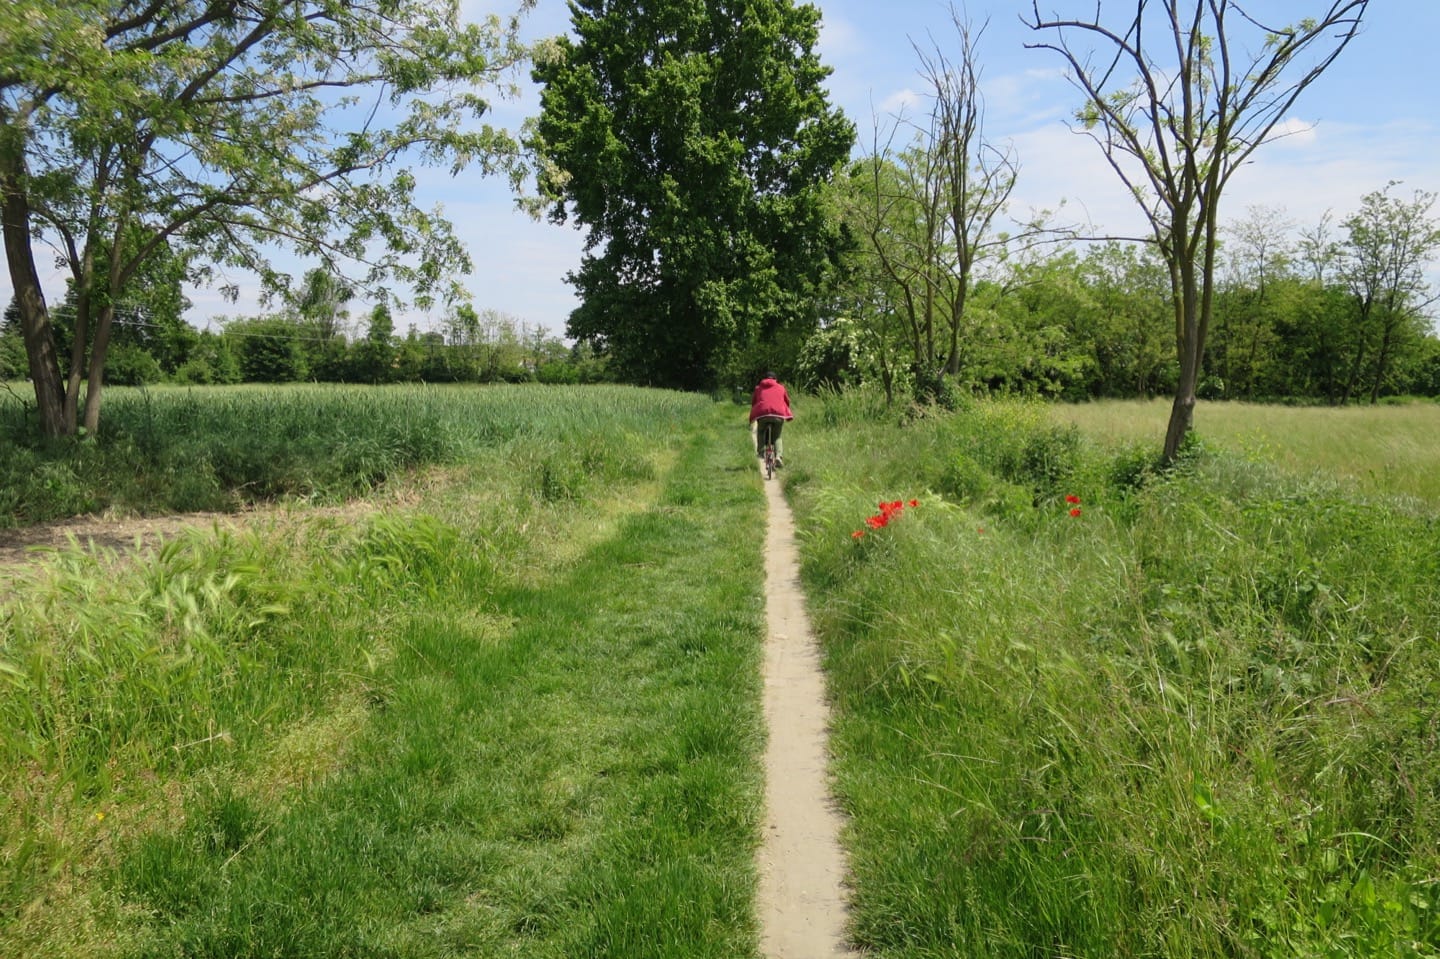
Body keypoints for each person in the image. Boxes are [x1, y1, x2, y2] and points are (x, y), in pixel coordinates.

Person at [749, 371, 793, 467]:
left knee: (760, 432)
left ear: (765, 379)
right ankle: (778, 456)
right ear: (775, 379)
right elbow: (787, 401)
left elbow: (753, 402)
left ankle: (761, 453)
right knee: (777, 436)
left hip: (763, 415)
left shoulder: (758, 388)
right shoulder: (781, 387)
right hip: (778, 415)